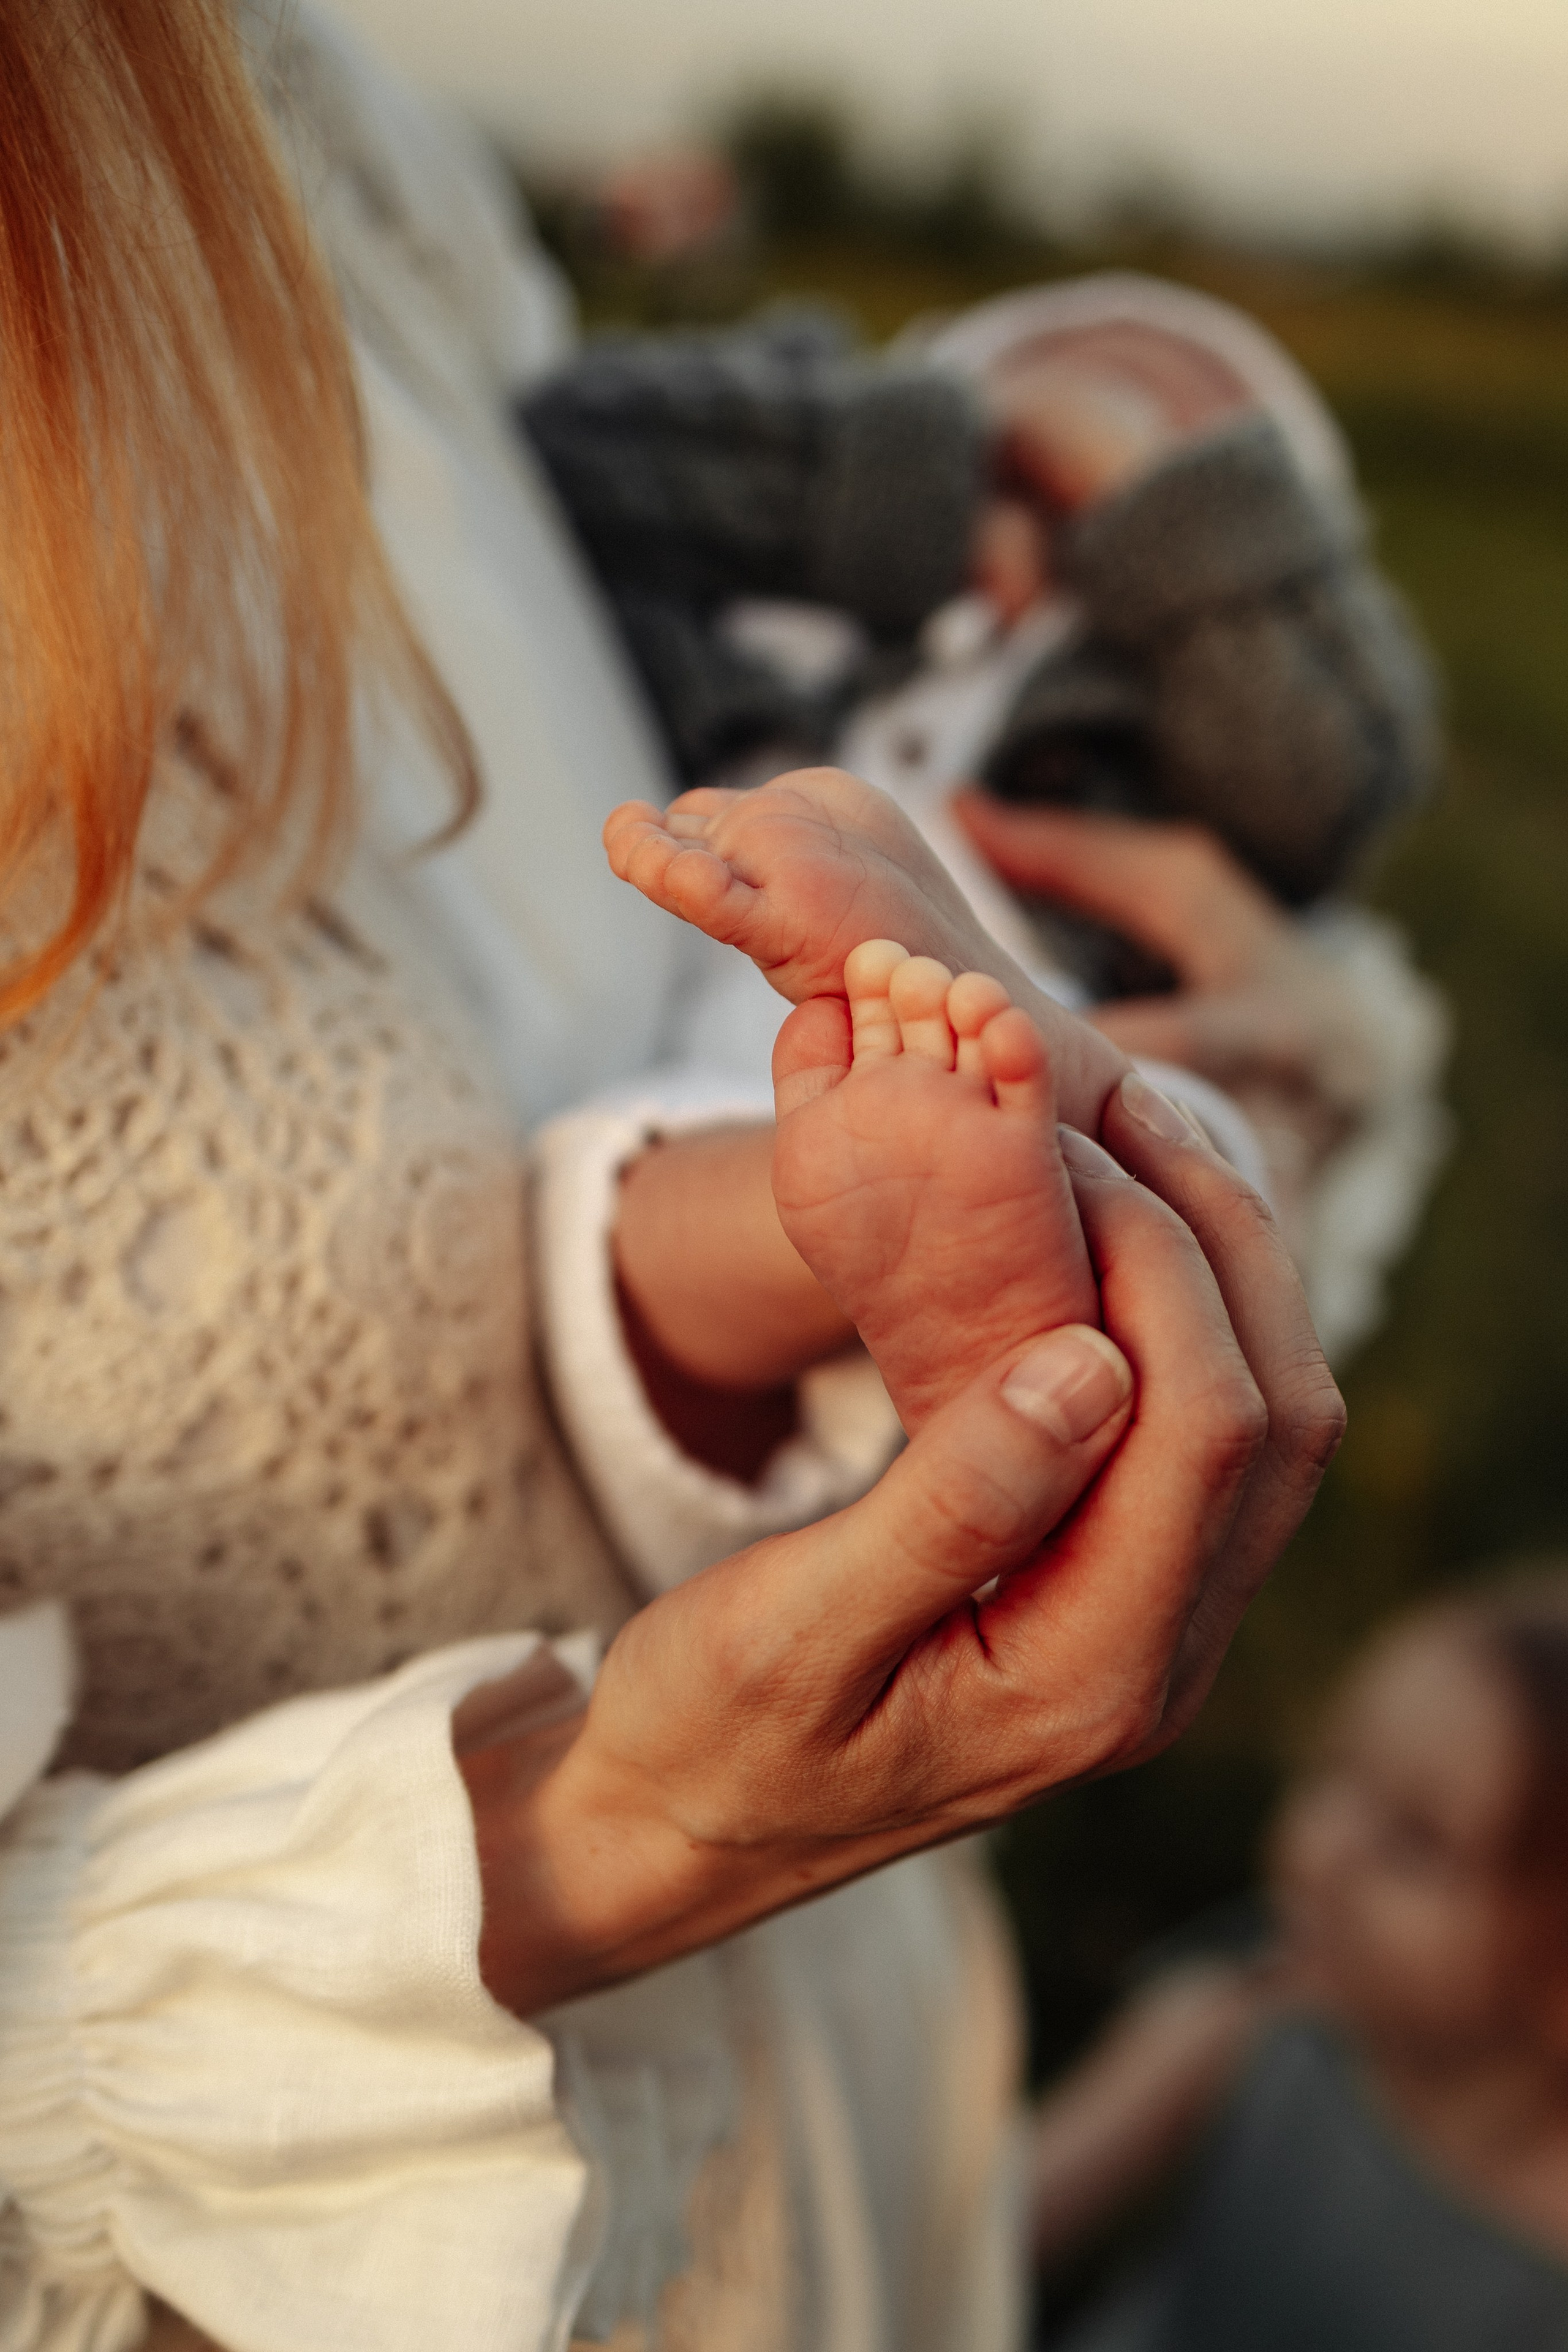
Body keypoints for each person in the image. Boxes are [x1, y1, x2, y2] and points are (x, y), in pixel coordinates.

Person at [0, 6, 1344, 2350]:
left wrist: (1260, 1028)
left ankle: (907, 1193)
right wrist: (598, 1831)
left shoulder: (292, 101)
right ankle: (898, 1194)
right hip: (408, 2209)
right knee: (751, 1134)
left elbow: (1300, 753)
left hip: (843, 2038)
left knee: (806, 1097)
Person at [1022, 1578, 1568, 2351]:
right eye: (1336, 1768)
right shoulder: (1240, 2026)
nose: (1321, 1852)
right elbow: (977, 2241)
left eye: (1417, 1840)